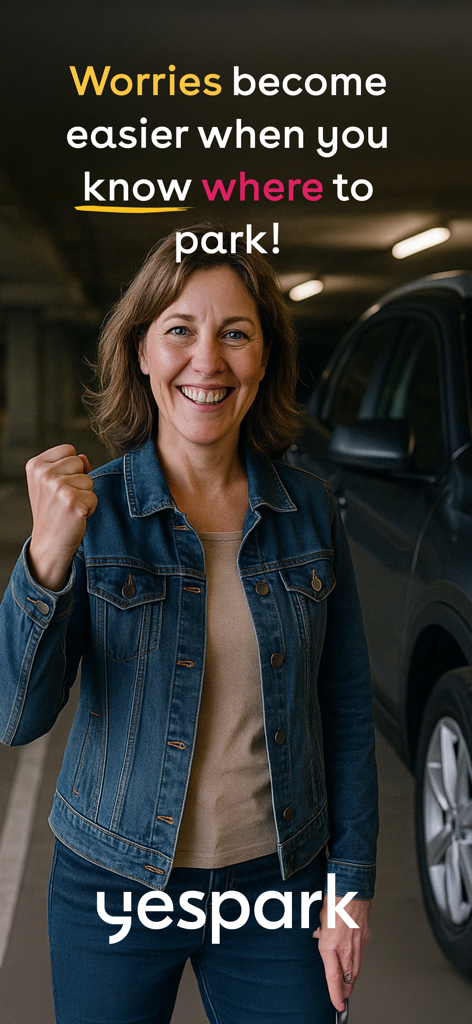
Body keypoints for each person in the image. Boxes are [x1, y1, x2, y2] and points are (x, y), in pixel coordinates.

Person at [0, 226, 378, 1024]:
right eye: (180, 330)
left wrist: (349, 884)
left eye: (235, 334)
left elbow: (343, 708)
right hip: (114, 882)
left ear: (264, 358)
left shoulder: (310, 512)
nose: (207, 360)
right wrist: (44, 563)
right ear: (141, 351)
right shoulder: (89, 516)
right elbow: (18, 717)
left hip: (279, 888)